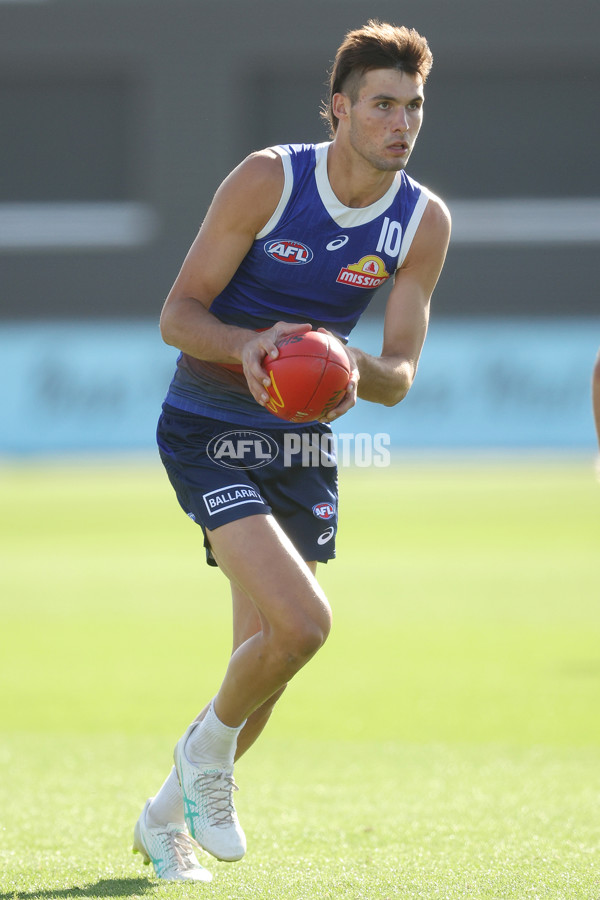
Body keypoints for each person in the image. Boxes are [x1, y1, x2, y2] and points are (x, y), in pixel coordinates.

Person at [132, 19, 451, 882]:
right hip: (209, 426)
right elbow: (176, 316)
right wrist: (247, 346)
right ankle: (201, 766)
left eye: (414, 107)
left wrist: (352, 367)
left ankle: (167, 817)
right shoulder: (271, 179)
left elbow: (401, 375)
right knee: (305, 624)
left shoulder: (421, 222)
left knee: (265, 663)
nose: (402, 122)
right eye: (384, 104)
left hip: (301, 442)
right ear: (340, 109)